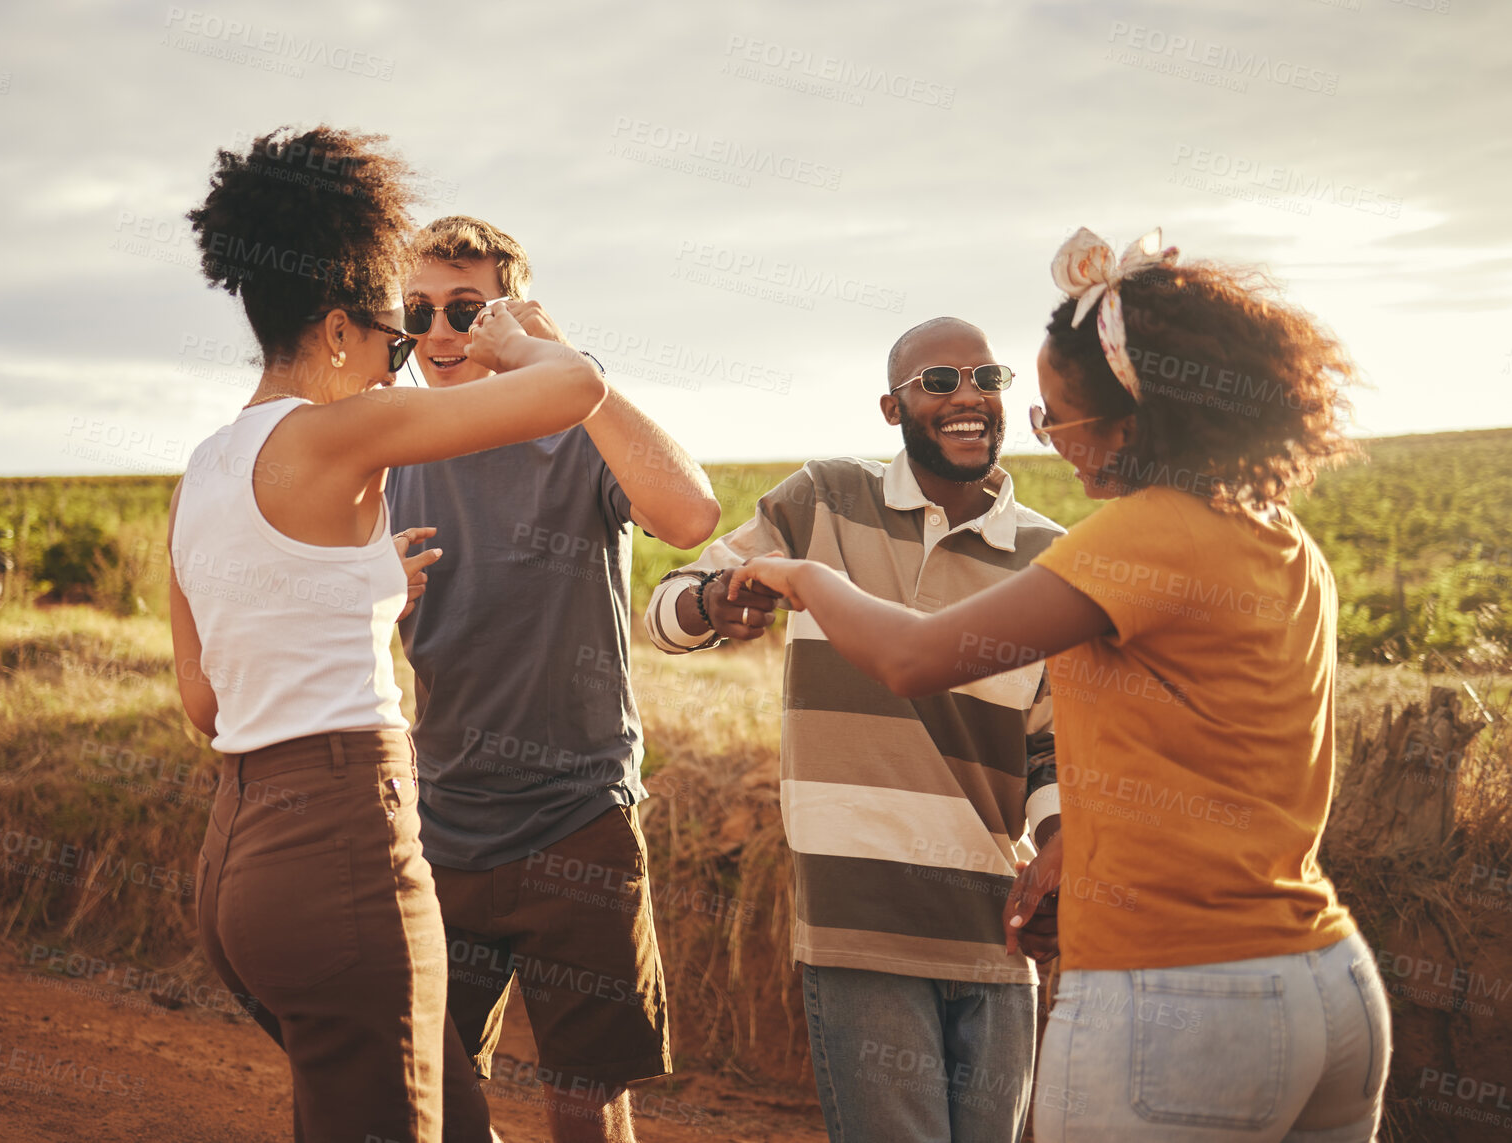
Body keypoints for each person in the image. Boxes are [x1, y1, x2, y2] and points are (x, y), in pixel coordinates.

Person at [731, 229, 1392, 1142]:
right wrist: (1070, 841)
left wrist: (805, 579)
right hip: (1324, 980)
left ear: (1134, 414)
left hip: (1178, 996)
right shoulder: (1280, 537)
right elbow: (1189, 746)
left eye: (1057, 417)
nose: (1051, 443)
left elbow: (915, 657)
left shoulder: (1139, 534)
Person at [167, 128, 606, 1143]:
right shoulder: (342, 430)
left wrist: (341, 601)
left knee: (448, 1126)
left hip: (237, 867)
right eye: (393, 338)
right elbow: (574, 389)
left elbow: (207, 703)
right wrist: (517, 332)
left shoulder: (199, 470)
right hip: (343, 853)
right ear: (334, 331)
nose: (401, 361)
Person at [643, 316, 1064, 1142]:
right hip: (857, 915)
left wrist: (1058, 849)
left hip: (995, 927)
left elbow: (1051, 743)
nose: (967, 396)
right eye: (937, 382)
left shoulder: (1049, 556)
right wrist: (712, 604)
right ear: (891, 407)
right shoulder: (825, 499)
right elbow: (667, 609)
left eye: (986, 376)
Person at [386, 216, 720, 1143]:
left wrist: (556, 359)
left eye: (466, 308)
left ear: (512, 314)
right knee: (433, 1096)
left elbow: (690, 514)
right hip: (439, 816)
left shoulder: (573, 431)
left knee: (585, 1098)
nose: (441, 331)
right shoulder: (387, 450)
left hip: (578, 813)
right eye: (420, 309)